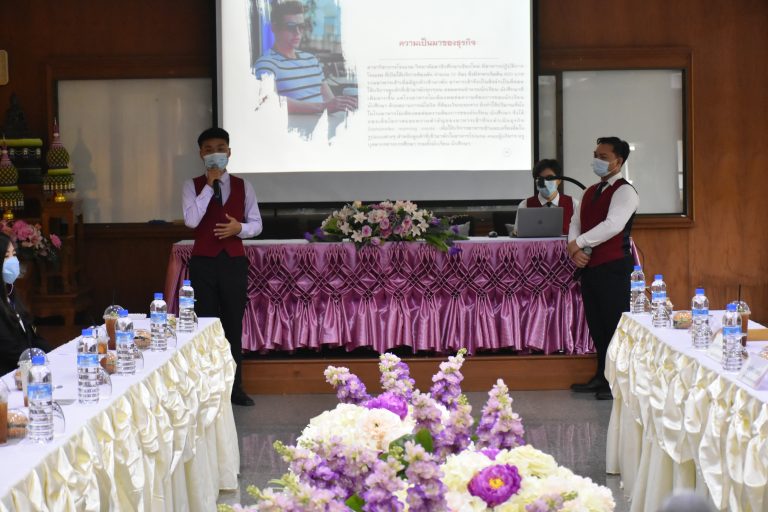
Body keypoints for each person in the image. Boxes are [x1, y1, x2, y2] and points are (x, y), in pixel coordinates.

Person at [182, 127, 263, 406]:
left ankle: (235, 388)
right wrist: (209, 186)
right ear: (200, 154)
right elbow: (191, 221)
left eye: (220, 148)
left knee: (232, 324)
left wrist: (239, 228)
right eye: (208, 149)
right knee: (205, 325)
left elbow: (257, 224)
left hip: (233, 263)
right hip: (203, 263)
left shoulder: (244, 186)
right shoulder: (191, 186)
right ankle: (208, 388)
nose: (214, 153)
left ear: (229, 152)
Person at [568, 137, 638, 400]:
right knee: (597, 325)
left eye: (604, 156)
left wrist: (579, 244)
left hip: (614, 268)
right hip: (591, 269)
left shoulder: (625, 191)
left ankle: (616, 382)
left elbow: (613, 225)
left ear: (618, 161)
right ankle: (601, 375)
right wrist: (573, 248)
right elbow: (575, 222)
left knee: (614, 326)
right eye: (596, 155)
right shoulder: (589, 191)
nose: (597, 160)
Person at [253, 1, 357, 115]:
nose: (297, 32)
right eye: (290, 27)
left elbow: (329, 100)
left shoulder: (311, 59)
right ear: (274, 28)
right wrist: (322, 107)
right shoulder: (266, 64)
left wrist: (342, 105)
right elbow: (269, 101)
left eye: (301, 26)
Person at [0, 234, 51, 376]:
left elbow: (32, 337)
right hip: (9, 376)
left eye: (14, 254)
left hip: (26, 369)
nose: (13, 261)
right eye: (6, 256)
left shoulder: (10, 292)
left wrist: (52, 355)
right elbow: (9, 349)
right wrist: (35, 362)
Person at [513, 159, 578, 236]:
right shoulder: (524, 205)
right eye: (541, 179)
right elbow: (517, 235)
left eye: (549, 178)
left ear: (559, 180)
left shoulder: (574, 204)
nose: (545, 182)